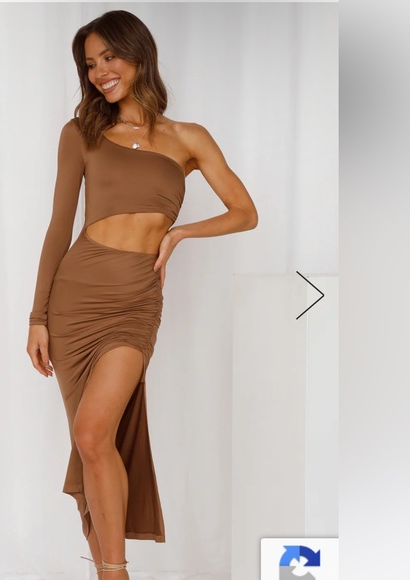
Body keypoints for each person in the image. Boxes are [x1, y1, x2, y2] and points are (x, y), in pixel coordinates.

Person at [26, 10, 258, 578]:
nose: (100, 72)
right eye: (90, 64)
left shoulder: (188, 138)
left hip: (135, 298)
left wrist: (179, 233)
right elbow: (58, 228)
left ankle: (114, 571)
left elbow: (245, 212)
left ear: (138, 54)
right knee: (92, 444)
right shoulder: (81, 134)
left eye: (110, 57)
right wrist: (37, 317)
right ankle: (112, 571)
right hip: (75, 296)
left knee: (92, 432)